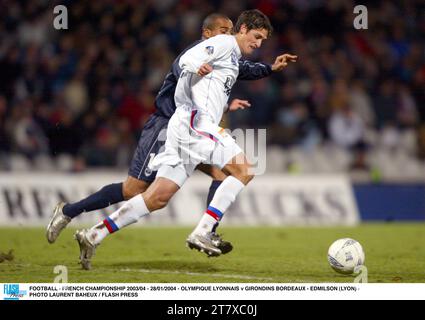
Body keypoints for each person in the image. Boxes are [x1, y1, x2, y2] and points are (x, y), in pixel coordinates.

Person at [46, 12, 296, 255]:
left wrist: (269, 69)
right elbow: (185, 61)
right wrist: (195, 66)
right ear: (239, 30)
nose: (259, 42)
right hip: (183, 122)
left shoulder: (230, 57)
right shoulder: (221, 44)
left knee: (158, 197)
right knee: (243, 170)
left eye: (263, 39)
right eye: (256, 36)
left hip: (183, 126)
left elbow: (236, 73)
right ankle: (204, 231)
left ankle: (94, 235)